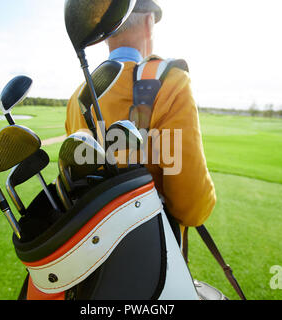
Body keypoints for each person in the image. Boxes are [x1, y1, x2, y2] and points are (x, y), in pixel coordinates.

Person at [65, 0, 216, 229]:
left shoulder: (78, 96)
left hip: (94, 253)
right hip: (152, 255)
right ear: (149, 23)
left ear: (106, 32)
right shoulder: (171, 82)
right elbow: (192, 209)